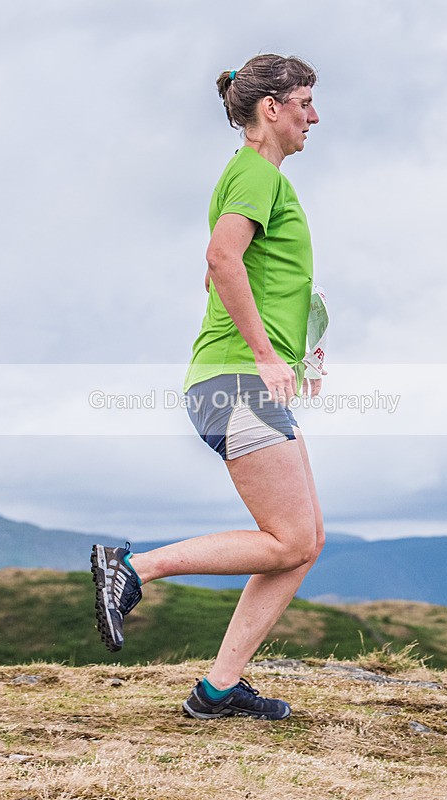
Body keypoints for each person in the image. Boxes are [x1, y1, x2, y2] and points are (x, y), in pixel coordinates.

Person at [91, 53, 324, 721]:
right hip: (237, 380)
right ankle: (132, 570)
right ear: (270, 109)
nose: (315, 116)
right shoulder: (255, 174)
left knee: (305, 541)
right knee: (288, 539)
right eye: (305, 101)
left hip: (241, 377)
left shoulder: (253, 179)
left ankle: (219, 690)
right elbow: (219, 259)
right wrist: (263, 353)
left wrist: (293, 350)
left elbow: (223, 276)